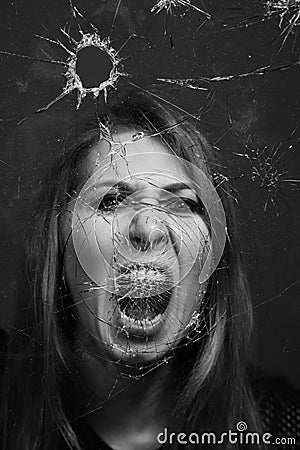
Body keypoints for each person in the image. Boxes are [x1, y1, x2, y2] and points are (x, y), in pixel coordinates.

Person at [0, 91, 299, 450]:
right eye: (112, 200)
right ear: (59, 241)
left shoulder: (281, 424)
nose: (150, 228)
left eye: (184, 203)